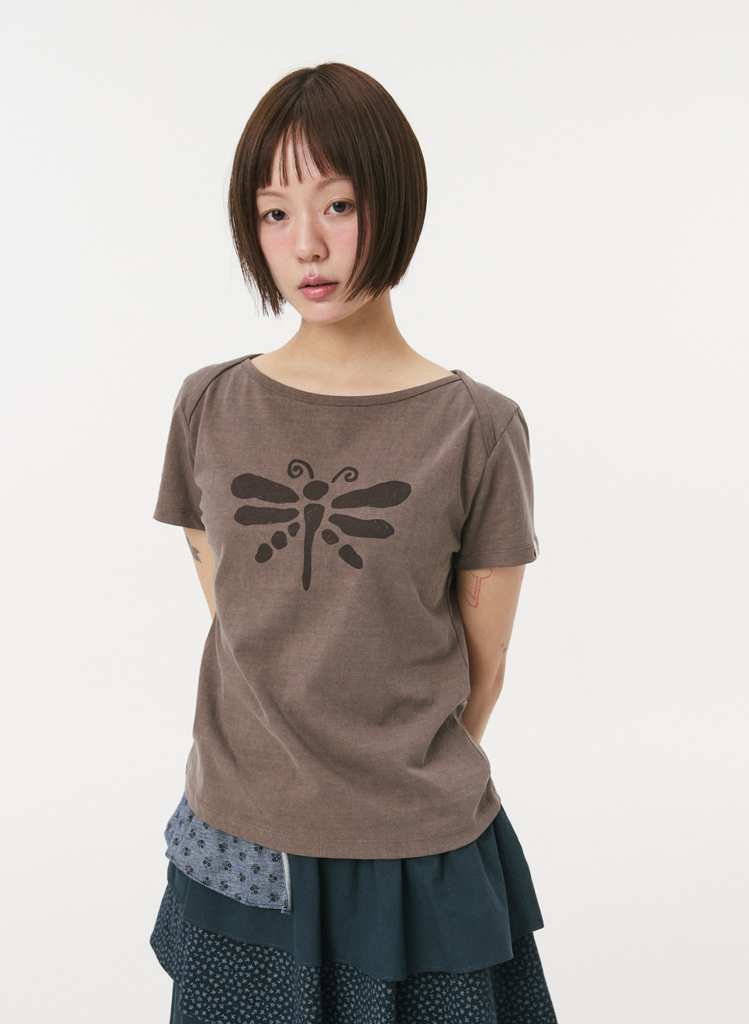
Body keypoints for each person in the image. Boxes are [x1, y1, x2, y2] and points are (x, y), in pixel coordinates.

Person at [149, 62, 558, 1024]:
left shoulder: (477, 427)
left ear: (394, 203)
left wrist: (386, 785)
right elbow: (239, 615)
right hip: (245, 838)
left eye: (337, 204)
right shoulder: (209, 405)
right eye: (274, 213)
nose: (308, 244)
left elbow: (485, 665)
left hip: (419, 853)